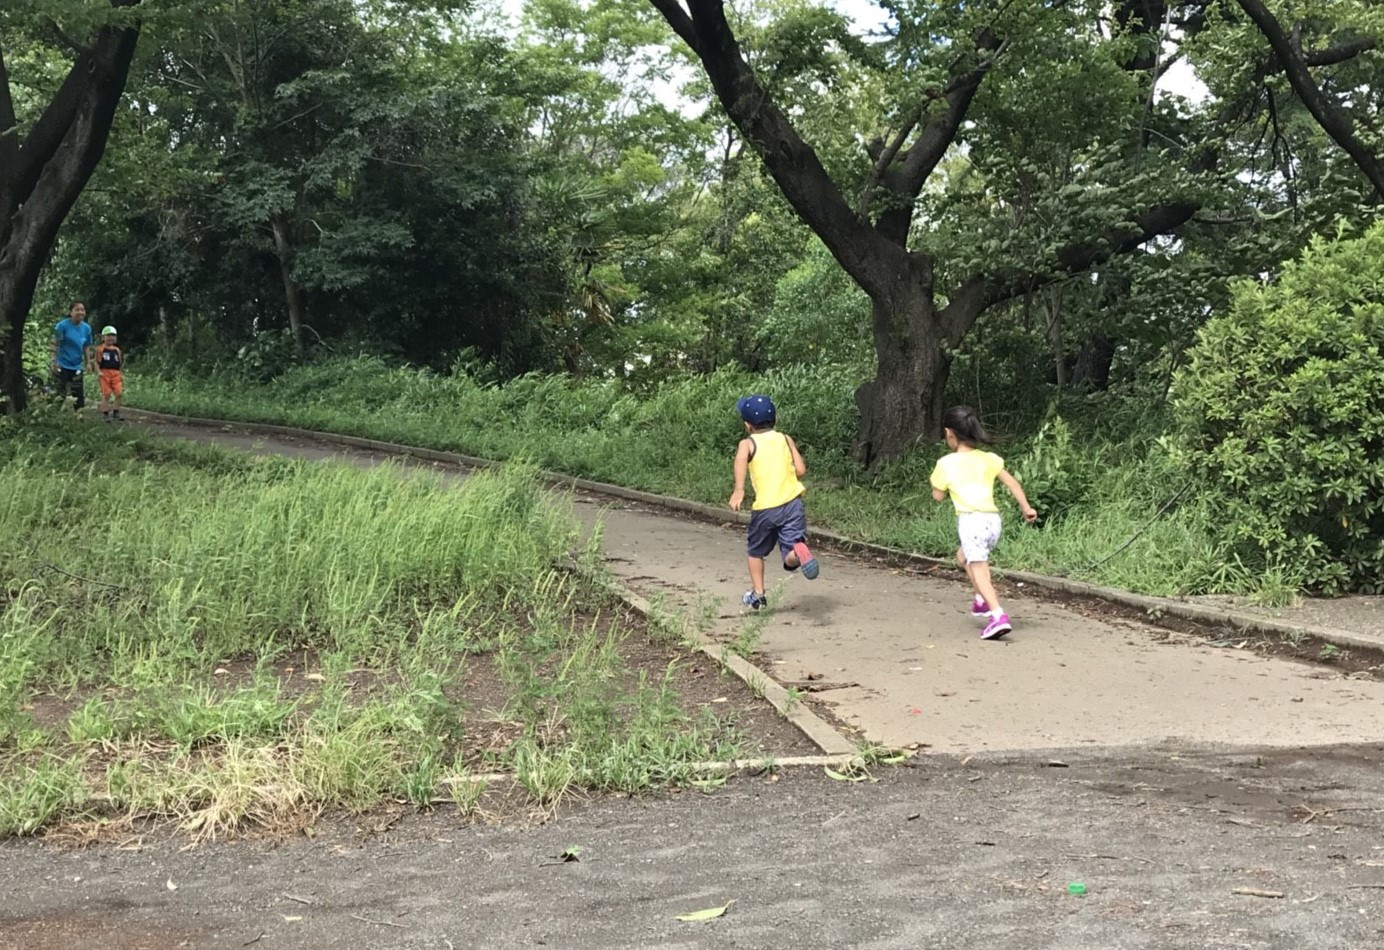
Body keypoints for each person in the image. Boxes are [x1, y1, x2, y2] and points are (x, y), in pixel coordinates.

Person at [929, 405, 1038, 640]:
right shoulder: (989, 459)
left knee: (979, 569)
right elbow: (1013, 484)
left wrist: (943, 486)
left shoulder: (945, 464)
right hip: (992, 521)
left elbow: (937, 496)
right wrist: (1026, 508)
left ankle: (997, 615)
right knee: (962, 556)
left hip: (972, 521)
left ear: (950, 434)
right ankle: (980, 600)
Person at [729, 394, 820, 610]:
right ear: (775, 420)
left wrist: (739, 489)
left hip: (766, 509)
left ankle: (758, 594)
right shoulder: (785, 439)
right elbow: (800, 470)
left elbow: (741, 458)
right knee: (790, 550)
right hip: (793, 504)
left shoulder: (747, 443)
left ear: (747, 425)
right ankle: (798, 552)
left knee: (755, 551)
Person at [52, 301, 94, 412]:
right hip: (62, 364)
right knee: (59, 393)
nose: (80, 312)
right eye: (77, 309)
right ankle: (54, 415)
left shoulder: (87, 328)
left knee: (78, 394)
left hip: (76, 366)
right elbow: (54, 343)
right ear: (70, 312)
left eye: (82, 310)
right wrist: (54, 361)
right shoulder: (61, 326)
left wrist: (88, 362)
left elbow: (86, 346)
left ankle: (79, 416)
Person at [93, 325, 124, 421]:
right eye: (108, 335)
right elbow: (96, 361)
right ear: (103, 337)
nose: (110, 338)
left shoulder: (117, 350)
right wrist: (99, 371)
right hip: (105, 372)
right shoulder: (100, 349)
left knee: (119, 393)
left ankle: (116, 411)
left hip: (115, 373)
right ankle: (105, 413)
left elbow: (119, 362)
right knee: (106, 394)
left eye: (113, 335)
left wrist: (120, 373)